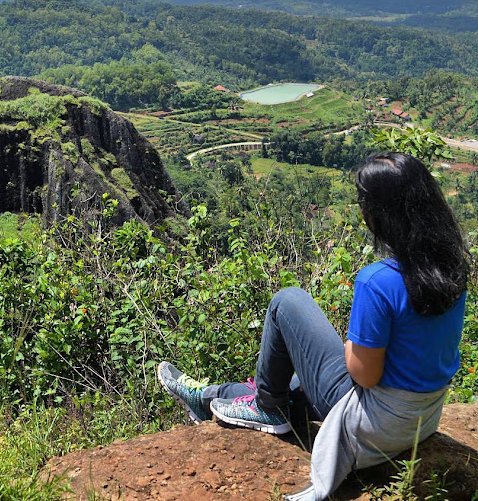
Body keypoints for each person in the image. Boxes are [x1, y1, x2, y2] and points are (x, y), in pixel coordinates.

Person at [158, 152, 468, 500]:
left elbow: (364, 375)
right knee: (294, 382)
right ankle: (209, 396)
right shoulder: (451, 267)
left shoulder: (378, 281)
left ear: (379, 214)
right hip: (421, 419)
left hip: (377, 420)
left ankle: (265, 406)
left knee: (288, 301)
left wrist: (351, 346)